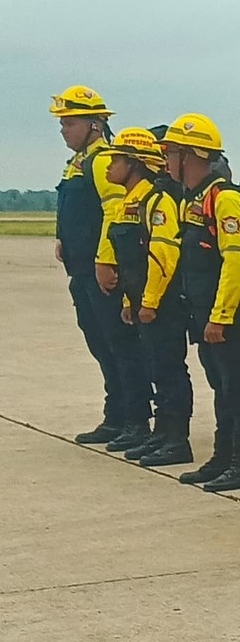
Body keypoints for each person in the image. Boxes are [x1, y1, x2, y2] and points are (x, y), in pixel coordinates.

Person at [157, 114, 240, 491]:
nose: (166, 160)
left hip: (224, 316)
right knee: (221, 387)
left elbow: (235, 262)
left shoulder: (225, 198)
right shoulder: (194, 200)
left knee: (236, 387)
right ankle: (223, 457)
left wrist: (221, 317)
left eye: (171, 153)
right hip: (203, 314)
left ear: (190, 156)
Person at [52, 86, 150, 448]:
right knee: (100, 342)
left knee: (120, 344)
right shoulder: (79, 161)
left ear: (95, 124)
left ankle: (136, 419)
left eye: (70, 122)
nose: (63, 129)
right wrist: (63, 237)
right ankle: (117, 413)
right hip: (81, 271)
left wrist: (105, 261)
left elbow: (114, 212)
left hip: (101, 272)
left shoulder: (101, 160)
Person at [102, 127, 194, 466]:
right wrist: (130, 302)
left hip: (162, 304)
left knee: (169, 370)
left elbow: (162, 258)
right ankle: (161, 434)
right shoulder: (131, 201)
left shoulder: (157, 201)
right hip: (141, 301)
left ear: (136, 163)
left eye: (117, 160)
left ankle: (177, 440)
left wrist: (151, 302)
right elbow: (130, 263)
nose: (110, 167)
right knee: (156, 368)